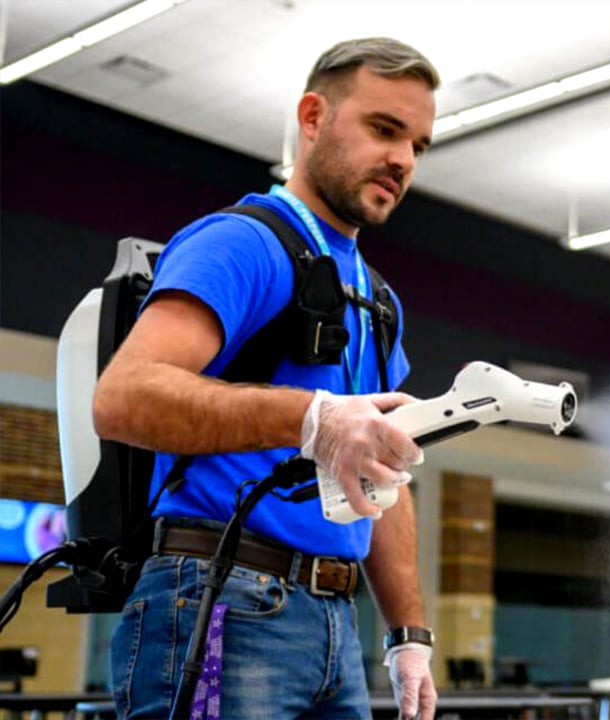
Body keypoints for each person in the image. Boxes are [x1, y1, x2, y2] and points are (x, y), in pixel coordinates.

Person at [93, 37, 440, 720]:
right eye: (384, 129)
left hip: (335, 627)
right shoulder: (243, 242)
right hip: (220, 600)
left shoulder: (376, 296)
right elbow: (123, 396)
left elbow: (386, 473)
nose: (402, 160)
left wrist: (408, 635)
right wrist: (313, 417)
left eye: (419, 146)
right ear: (313, 118)